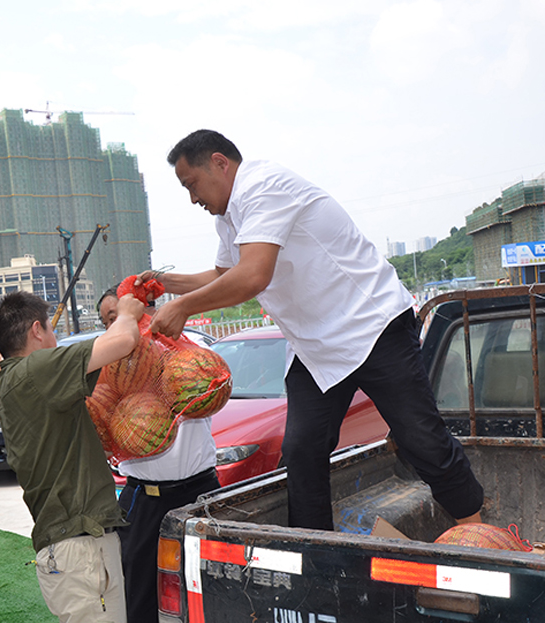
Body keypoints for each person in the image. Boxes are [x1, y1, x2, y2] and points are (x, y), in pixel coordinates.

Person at [141, 129, 483, 530]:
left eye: (191, 184)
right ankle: (315, 550)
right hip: (313, 347)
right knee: (302, 450)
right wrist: (166, 284)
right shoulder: (229, 217)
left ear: (220, 162)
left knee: (420, 437)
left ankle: (478, 531)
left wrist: (182, 307)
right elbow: (224, 273)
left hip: (370, 327)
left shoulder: (264, 187)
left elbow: (252, 276)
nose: (193, 199)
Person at [0, 289, 145, 623]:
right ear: (36, 330)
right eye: (51, 330)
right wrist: (130, 312)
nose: (56, 338)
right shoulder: (33, 371)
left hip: (82, 547)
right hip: (79, 550)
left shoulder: (20, 380)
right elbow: (121, 343)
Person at [97, 288, 220, 623]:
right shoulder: (110, 374)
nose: (119, 321)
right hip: (141, 499)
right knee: (140, 608)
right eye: (109, 318)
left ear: (146, 312)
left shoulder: (188, 352)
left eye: (123, 312)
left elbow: (212, 387)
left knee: (210, 602)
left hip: (199, 494)